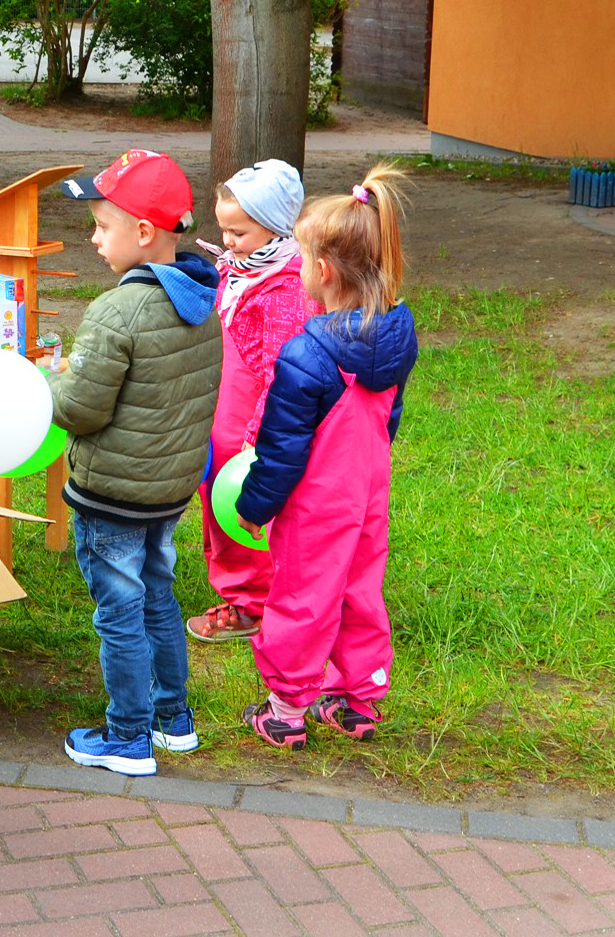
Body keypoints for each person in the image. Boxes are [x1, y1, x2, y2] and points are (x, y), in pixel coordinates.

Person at [43, 150, 221, 776]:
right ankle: (175, 721)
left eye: (101, 226)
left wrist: (49, 381)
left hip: (114, 493)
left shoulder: (117, 311)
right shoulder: (203, 297)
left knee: (118, 610)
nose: (93, 239)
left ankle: (126, 738)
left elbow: (82, 411)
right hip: (167, 489)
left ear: (143, 233)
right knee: (158, 598)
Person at [234, 164, 418, 750]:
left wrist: (255, 506)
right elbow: (387, 418)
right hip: (369, 493)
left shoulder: (306, 354)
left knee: (302, 596)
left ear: (321, 271)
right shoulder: (397, 332)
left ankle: (287, 708)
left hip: (315, 506)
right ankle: (357, 700)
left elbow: (281, 450)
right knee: (362, 590)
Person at [189, 159, 321, 645]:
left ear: (275, 227)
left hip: (248, 428)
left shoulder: (285, 287)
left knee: (243, 508)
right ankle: (237, 587)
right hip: (220, 416)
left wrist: (255, 439)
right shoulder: (244, 268)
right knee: (216, 504)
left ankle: (251, 603)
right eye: (224, 230)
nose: (227, 242)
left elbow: (280, 371)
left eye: (238, 233)